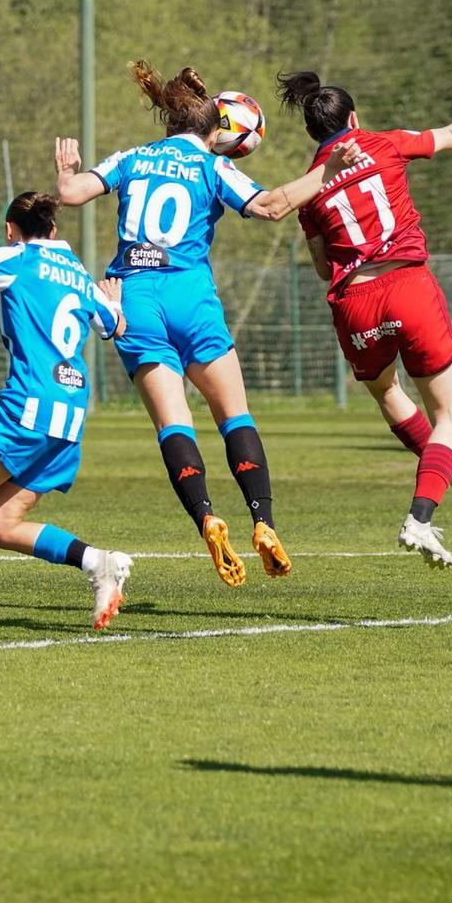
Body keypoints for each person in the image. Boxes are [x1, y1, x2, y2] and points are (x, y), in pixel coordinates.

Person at [53, 62, 359, 586]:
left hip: (136, 302)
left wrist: (66, 170)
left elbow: (73, 194)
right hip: (190, 296)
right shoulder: (212, 168)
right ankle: (262, 521)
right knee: (234, 415)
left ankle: (207, 518)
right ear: (216, 130)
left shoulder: (134, 157)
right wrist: (326, 174)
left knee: (174, 423)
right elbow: (270, 206)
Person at [276, 70, 452, 569]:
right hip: (405, 284)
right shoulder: (383, 144)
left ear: (314, 133)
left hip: (355, 301)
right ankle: (420, 517)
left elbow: (320, 267)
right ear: (353, 118)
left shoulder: (309, 189)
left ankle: (445, 467)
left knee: (386, 391)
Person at [0, 191, 133, 645]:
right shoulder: (77, 273)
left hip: (28, 405)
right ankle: (98, 563)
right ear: (53, 231)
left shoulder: (15, 258)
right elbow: (115, 326)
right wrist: (113, 303)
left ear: (12, 230)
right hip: (70, 411)